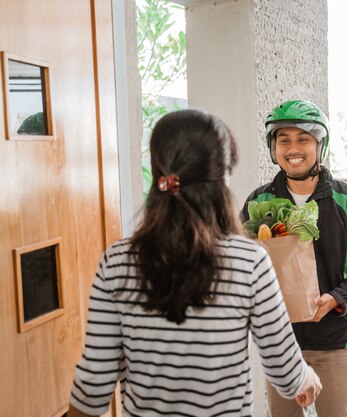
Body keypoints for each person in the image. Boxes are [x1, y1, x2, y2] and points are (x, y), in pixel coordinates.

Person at [68, 109, 321, 417]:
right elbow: (285, 371)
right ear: (223, 177)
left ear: (159, 171)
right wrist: (307, 379)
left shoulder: (117, 262)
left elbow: (92, 388)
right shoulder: (249, 262)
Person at [241, 100, 347, 417]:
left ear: (320, 144)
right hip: (279, 342)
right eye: (284, 139)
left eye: (303, 138)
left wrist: (336, 298)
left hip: (336, 341)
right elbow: (243, 265)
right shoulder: (258, 201)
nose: (293, 148)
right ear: (273, 147)